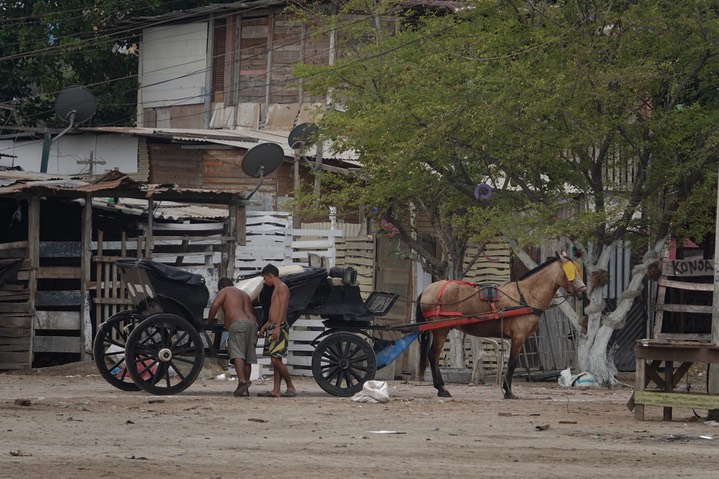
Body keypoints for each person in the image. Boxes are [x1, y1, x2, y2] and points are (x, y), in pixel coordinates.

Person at [206, 277, 258, 397]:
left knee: (238, 353)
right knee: (247, 356)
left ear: (220, 287)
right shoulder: (244, 294)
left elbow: (214, 306)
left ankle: (242, 382)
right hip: (253, 324)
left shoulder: (225, 291)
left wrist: (209, 322)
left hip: (239, 324)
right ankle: (245, 389)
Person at [257, 264, 297, 398]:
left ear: (270, 276)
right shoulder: (275, 289)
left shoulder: (282, 287)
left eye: (264, 278)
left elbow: (283, 308)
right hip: (272, 325)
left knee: (275, 360)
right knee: (275, 359)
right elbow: (274, 310)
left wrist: (278, 326)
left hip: (278, 327)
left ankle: (290, 386)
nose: (264, 281)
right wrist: (265, 325)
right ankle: (276, 390)